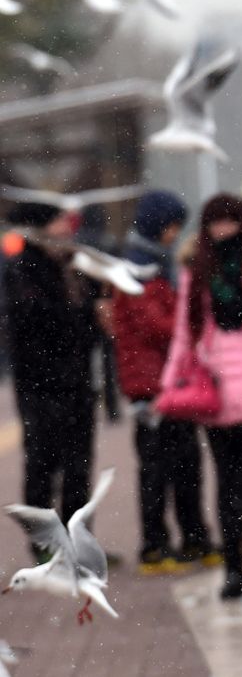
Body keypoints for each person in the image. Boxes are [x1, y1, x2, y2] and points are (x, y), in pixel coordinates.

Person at [161, 194, 242, 598]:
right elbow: (186, 329)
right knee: (228, 484)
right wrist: (171, 382)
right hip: (217, 389)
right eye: (214, 222)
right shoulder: (196, 268)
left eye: (228, 221)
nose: (222, 230)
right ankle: (235, 570)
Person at [112, 190, 218, 574]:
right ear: (159, 225)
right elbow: (156, 327)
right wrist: (191, 318)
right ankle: (154, 547)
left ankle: (194, 538)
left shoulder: (159, 265)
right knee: (156, 471)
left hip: (173, 384)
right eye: (173, 225)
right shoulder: (136, 270)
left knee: (187, 465)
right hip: (150, 389)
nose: (176, 233)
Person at [2, 202, 100, 562]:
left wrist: (90, 313)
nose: (67, 230)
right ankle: (43, 544)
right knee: (43, 465)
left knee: (79, 467)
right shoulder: (23, 269)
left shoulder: (71, 267)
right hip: (40, 386)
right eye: (60, 223)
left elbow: (86, 327)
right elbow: (31, 324)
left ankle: (79, 544)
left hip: (76, 383)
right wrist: (75, 313)